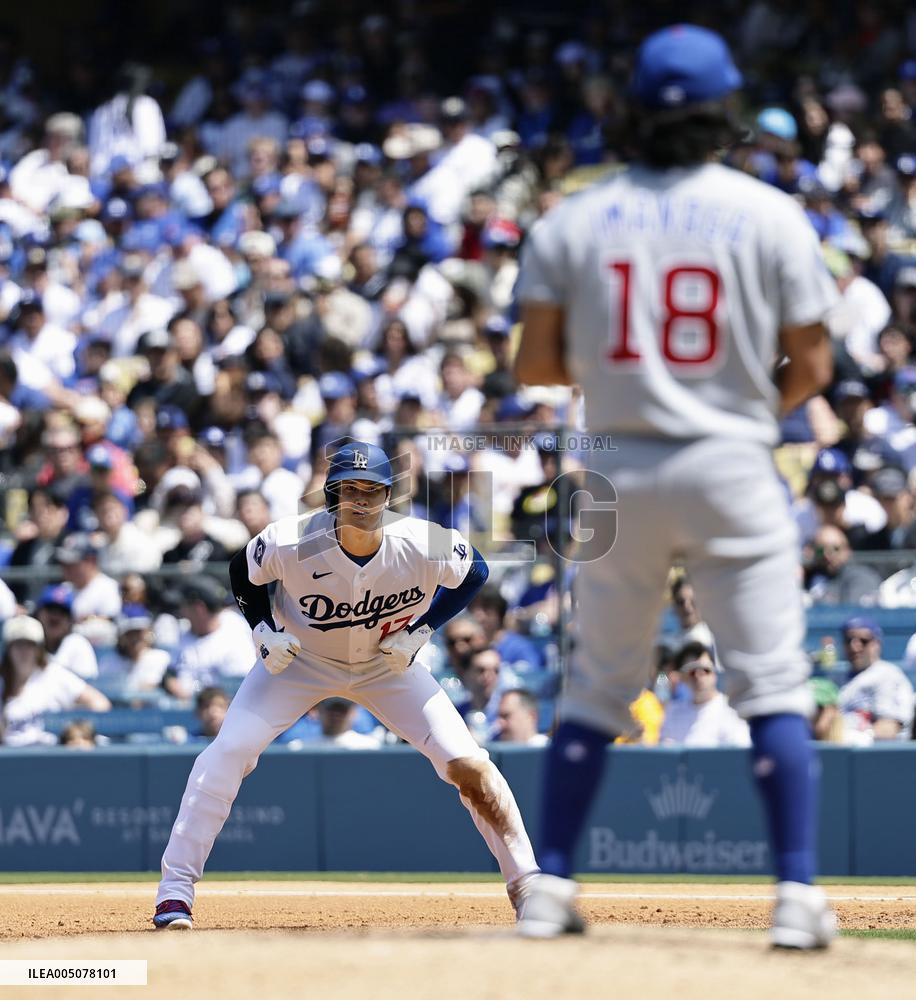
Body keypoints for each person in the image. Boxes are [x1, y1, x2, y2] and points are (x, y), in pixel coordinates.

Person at [513, 26, 838, 947]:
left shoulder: (573, 219)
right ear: (725, 111)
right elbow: (814, 364)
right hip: (732, 459)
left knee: (596, 688)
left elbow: (536, 365)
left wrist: (626, 374)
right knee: (771, 685)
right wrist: (737, 403)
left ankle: (551, 886)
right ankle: (796, 895)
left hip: (620, 461)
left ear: (630, 112)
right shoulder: (771, 214)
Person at [153, 442, 538, 929]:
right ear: (332, 495)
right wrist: (262, 629)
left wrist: (422, 630)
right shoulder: (291, 539)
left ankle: (528, 885)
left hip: (386, 666)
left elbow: (475, 570)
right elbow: (242, 571)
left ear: (387, 497)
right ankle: (175, 892)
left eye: (371, 490)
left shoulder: (421, 541)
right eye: (349, 489)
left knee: (468, 762)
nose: (360, 500)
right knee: (228, 751)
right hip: (302, 661)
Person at [0, 615, 110, 746]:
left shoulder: (54, 675)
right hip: (10, 755)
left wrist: (76, 730)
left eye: (29, 645)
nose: (23, 652)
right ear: (8, 650)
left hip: (51, 753)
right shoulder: (2, 682)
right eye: (18, 645)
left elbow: (100, 703)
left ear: (39, 649)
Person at [837, 617, 915, 744]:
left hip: (876, 752)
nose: (854, 647)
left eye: (863, 641)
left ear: (876, 644)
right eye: (848, 640)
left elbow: (890, 727)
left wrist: (864, 736)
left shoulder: (887, 675)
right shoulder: (839, 677)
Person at [658, 642, 751, 747]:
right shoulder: (672, 712)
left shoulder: (732, 712)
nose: (699, 676)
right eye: (692, 671)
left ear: (715, 673)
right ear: (682, 677)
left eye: (705, 670)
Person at [34, 583, 98, 680]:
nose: (55, 617)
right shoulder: (28, 643)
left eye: (62, 611)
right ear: (38, 613)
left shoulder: (78, 644)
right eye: (50, 609)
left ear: (70, 620)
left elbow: (86, 684)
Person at [315, 697, 382, 748]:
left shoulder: (369, 747)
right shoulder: (309, 745)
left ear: (353, 712)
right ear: (319, 710)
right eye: (331, 709)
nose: (336, 714)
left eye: (342, 709)